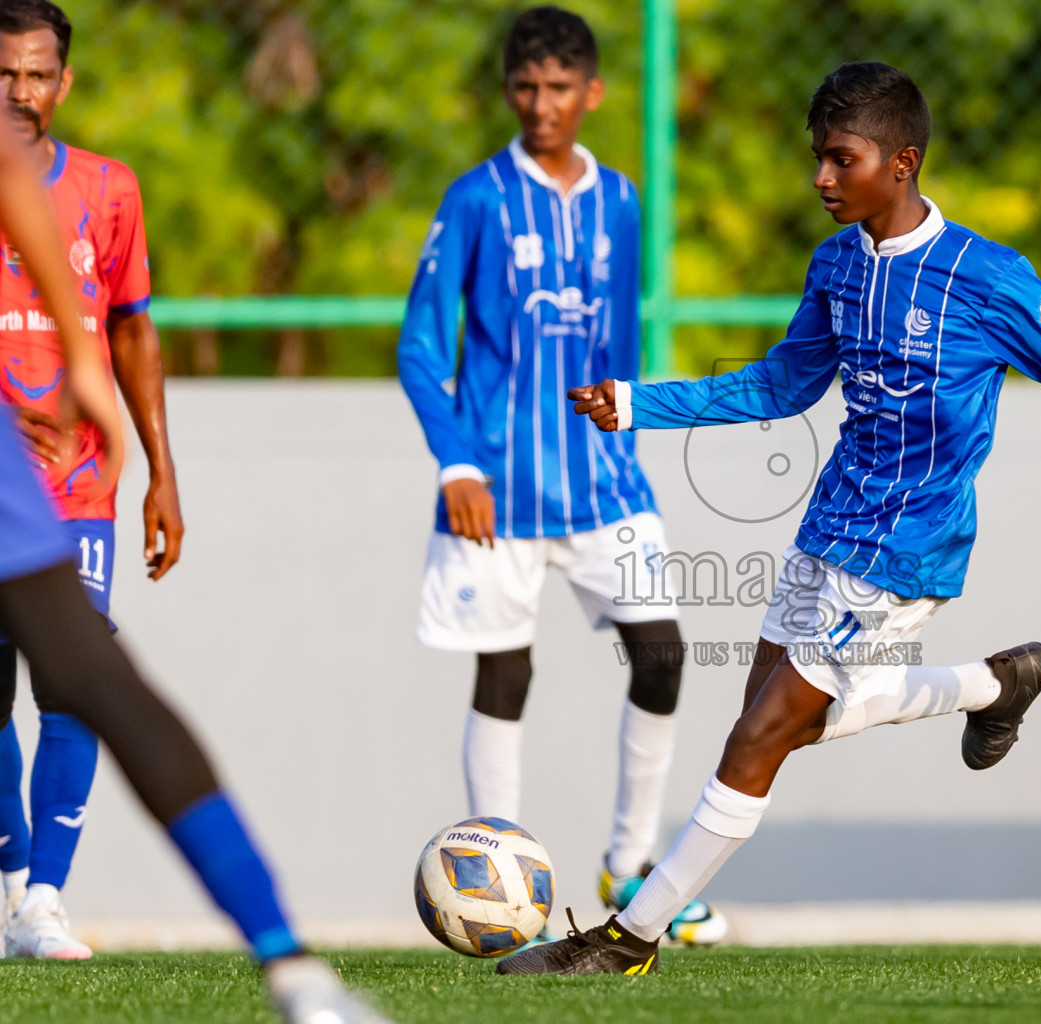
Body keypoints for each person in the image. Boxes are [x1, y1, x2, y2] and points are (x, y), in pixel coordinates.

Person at [498, 61, 1041, 976]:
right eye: (818, 159)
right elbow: (783, 383)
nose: (821, 179)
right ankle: (992, 686)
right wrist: (639, 404)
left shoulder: (987, 278)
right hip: (827, 528)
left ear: (903, 162)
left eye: (841, 160)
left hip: (908, 548)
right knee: (776, 726)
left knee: (758, 736)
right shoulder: (837, 264)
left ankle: (629, 937)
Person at [0, 63, 391, 1024]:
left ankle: (288, 966)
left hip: (40, 469)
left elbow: (21, 189)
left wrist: (86, 366)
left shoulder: (88, 181)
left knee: (91, 681)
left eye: (33, 74)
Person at [397, 5, 724, 946]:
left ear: (593, 94)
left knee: (660, 652)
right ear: (510, 92)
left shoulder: (621, 199)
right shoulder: (475, 199)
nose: (542, 106)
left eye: (559, 89)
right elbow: (422, 344)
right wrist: (456, 458)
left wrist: (623, 424)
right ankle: (503, 885)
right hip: (494, 486)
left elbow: (615, 341)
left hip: (605, 485)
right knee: (506, 675)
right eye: (526, 89)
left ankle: (632, 865)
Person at [0, 0, 183, 960]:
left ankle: (42, 903)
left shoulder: (109, 190)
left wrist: (161, 473)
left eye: (37, 74)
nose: (21, 92)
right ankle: (13, 866)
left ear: (63, 82)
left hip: (79, 488)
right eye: (5, 74)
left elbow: (132, 332)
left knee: (72, 681)